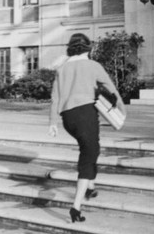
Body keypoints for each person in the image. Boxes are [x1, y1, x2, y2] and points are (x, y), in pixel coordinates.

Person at [48, 33, 126, 223]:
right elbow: (111, 88)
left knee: (91, 148)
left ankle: (90, 186)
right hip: (86, 115)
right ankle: (76, 206)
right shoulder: (93, 66)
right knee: (88, 155)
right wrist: (122, 110)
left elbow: (55, 98)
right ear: (87, 49)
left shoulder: (62, 69)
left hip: (68, 118)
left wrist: (53, 122)